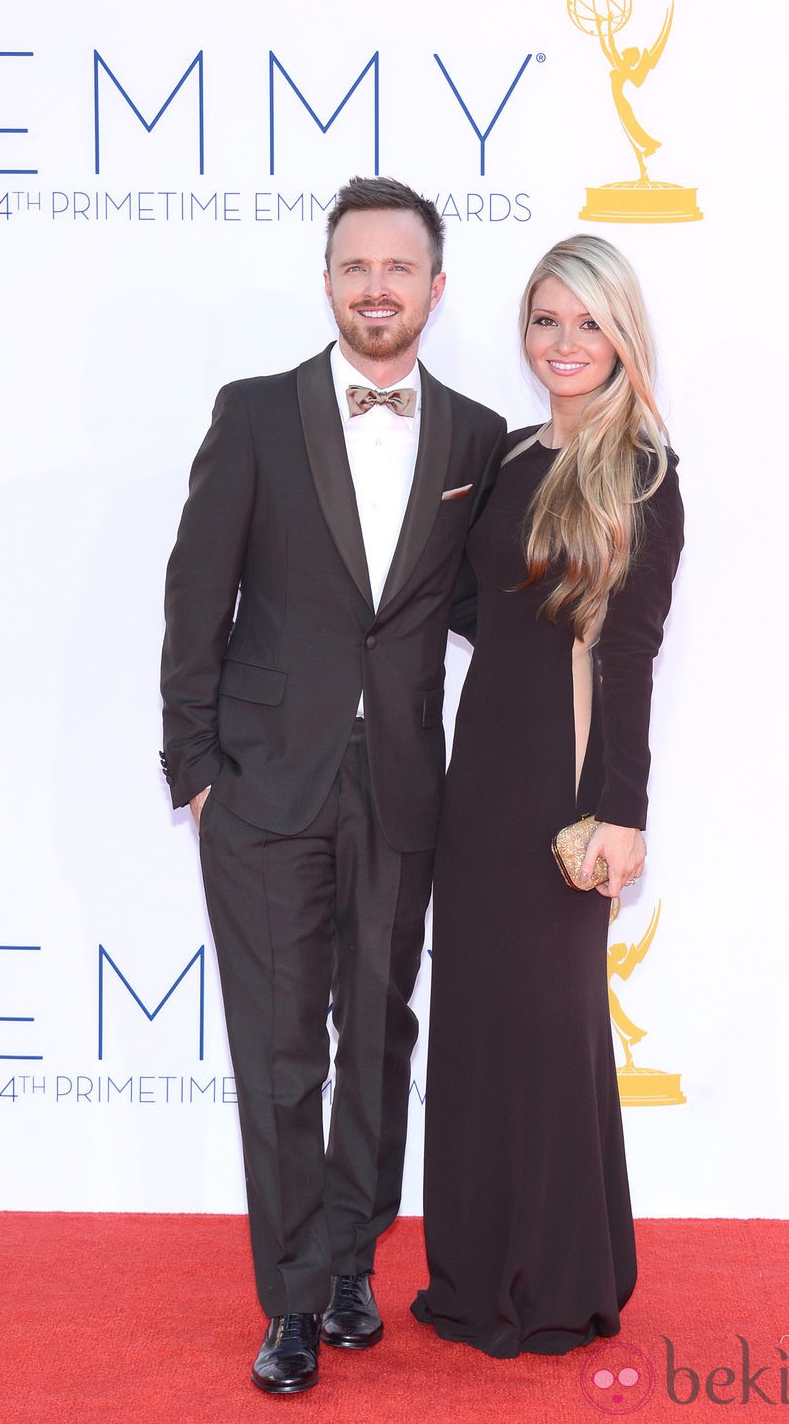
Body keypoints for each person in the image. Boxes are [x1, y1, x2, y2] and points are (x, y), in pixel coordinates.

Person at [160, 176, 506, 1393]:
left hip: (403, 787)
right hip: (260, 791)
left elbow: (480, 608)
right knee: (277, 1054)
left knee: (376, 1037)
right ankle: (291, 1300)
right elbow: (195, 601)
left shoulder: (472, 436)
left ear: (433, 288)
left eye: (398, 269)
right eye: (355, 266)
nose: (375, 287)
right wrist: (194, 771)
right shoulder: (253, 414)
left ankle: (354, 1258)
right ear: (325, 279)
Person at [412, 233, 684, 1357]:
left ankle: (558, 1282)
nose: (563, 343)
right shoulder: (514, 455)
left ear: (622, 333)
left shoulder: (640, 472)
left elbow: (630, 654)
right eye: (544, 320)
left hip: (563, 789)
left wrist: (622, 814)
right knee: (476, 1028)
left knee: (544, 1030)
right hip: (477, 770)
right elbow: (483, 608)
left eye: (585, 321)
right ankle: (475, 1271)